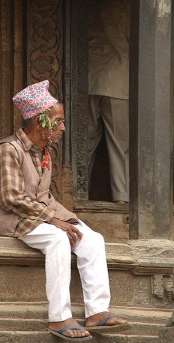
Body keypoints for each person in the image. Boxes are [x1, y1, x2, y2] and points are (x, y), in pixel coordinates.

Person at [0, 80, 130, 341]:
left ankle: (97, 312)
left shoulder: (44, 153)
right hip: (10, 219)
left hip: (36, 216)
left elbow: (44, 197)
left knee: (92, 239)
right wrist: (53, 220)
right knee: (57, 239)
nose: (62, 127)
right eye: (59, 121)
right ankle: (59, 317)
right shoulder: (6, 150)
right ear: (41, 122)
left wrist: (71, 219)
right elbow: (10, 198)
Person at [88, 0, 130, 203]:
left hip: (88, 78)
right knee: (120, 145)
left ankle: (78, 191)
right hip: (118, 81)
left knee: (85, 141)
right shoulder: (128, 8)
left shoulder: (90, 8)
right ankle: (122, 196)